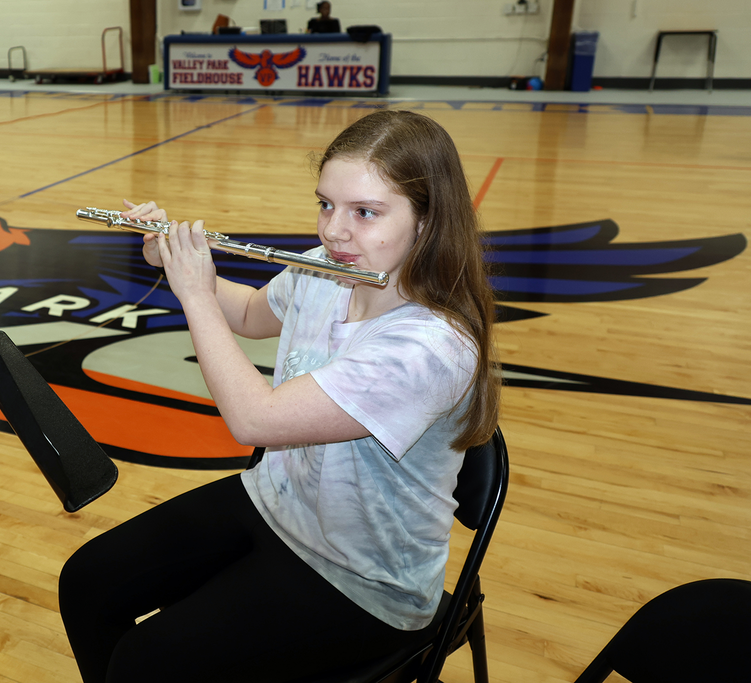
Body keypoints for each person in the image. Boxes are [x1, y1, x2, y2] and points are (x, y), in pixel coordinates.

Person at [59, 109, 501, 683]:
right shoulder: (328, 268)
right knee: (88, 583)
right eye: (326, 204)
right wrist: (177, 262)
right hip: (276, 503)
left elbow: (254, 421)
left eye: (365, 212)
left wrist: (193, 296)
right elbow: (246, 312)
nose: (333, 232)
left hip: (363, 579)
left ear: (428, 220)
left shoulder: (431, 347)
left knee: (146, 664)